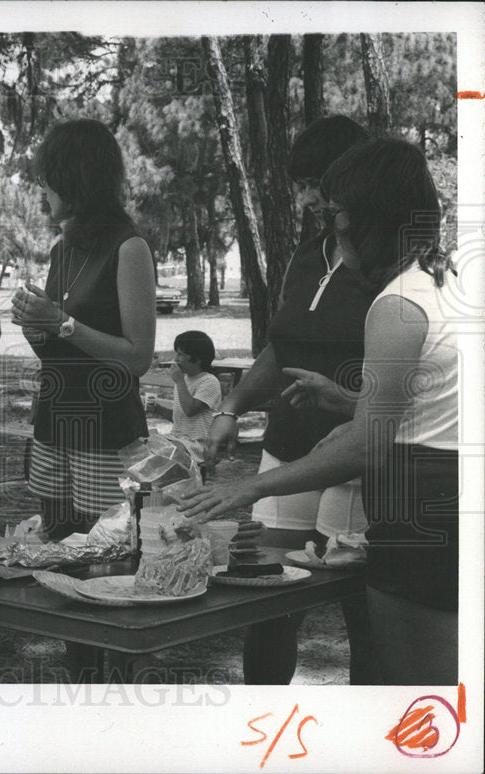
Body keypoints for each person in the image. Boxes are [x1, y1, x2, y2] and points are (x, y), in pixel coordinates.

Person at [182, 138, 459, 685]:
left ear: (363, 218)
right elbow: (437, 408)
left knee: (410, 694)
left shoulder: (397, 303)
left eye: (333, 215)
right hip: (445, 502)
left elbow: (366, 445)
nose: (329, 227)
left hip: (420, 512)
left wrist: (252, 488)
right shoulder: (446, 281)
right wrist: (348, 400)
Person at [202, 115, 376, 685]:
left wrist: (346, 399)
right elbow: (281, 347)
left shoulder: (383, 259)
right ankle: (262, 727)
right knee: (268, 600)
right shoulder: (307, 254)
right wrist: (231, 410)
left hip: (354, 457)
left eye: (311, 184)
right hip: (286, 447)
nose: (302, 198)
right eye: (297, 185)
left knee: (362, 612)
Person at [11, 119, 155, 680]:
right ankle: (80, 682)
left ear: (76, 180)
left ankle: (116, 691)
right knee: (61, 559)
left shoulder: (130, 246)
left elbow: (137, 356)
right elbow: (56, 347)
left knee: (107, 566)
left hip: (105, 430)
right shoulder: (62, 247)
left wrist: (63, 323)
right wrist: (35, 324)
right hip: (55, 424)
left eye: (48, 180)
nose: (41, 191)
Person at [168, 330, 223, 465]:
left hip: (199, 444)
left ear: (198, 359)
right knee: (145, 446)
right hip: (178, 439)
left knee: (168, 454)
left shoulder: (209, 381)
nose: (176, 359)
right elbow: (182, 417)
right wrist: (156, 409)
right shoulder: (184, 379)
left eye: (180, 354)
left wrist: (179, 381)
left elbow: (190, 410)